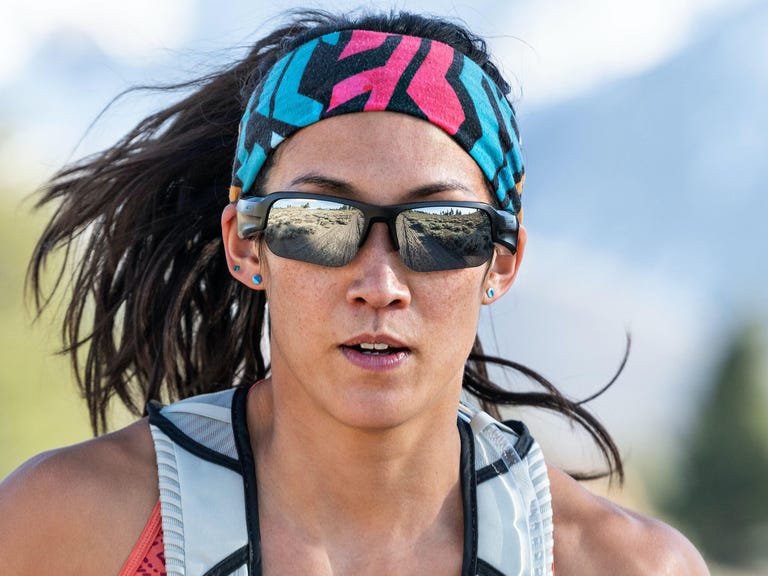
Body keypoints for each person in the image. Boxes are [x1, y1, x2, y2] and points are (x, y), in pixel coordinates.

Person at [0, 8, 709, 576]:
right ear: (247, 244)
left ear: (502, 259)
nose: (380, 284)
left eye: (441, 228)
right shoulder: (68, 529)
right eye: (320, 222)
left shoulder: (622, 566)